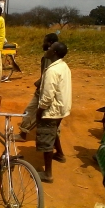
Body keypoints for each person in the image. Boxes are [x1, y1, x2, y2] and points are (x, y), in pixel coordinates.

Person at [36, 42, 71, 183]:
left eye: (50, 48)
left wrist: (40, 111)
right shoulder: (64, 66)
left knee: (46, 139)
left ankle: (48, 173)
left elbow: (48, 96)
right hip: (62, 108)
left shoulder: (52, 71)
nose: (47, 49)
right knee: (53, 131)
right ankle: (60, 154)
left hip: (52, 109)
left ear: (54, 52)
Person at [14, 33, 59, 142]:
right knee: (51, 118)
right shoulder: (56, 57)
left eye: (45, 41)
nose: (43, 43)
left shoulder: (48, 56)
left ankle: (23, 134)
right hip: (51, 90)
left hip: (44, 91)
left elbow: (47, 74)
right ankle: (57, 146)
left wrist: (39, 83)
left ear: (50, 43)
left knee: (30, 112)